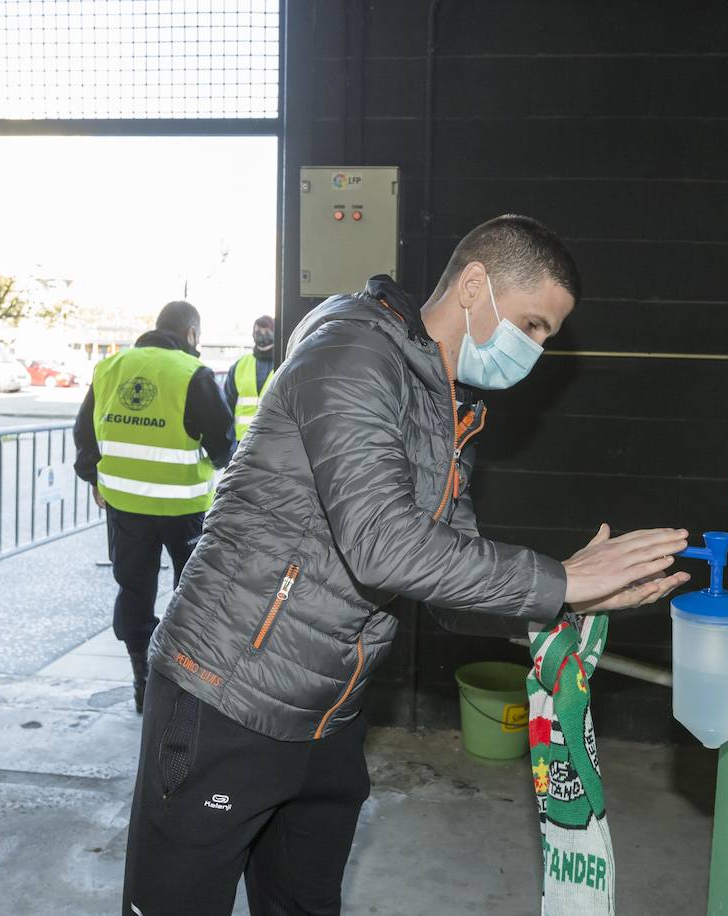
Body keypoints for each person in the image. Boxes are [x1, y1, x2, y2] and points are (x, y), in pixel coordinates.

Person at [121, 215, 692, 915]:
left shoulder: (448, 408)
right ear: (475, 285)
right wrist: (562, 579)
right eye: (534, 326)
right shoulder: (352, 354)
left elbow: (448, 589)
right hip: (227, 694)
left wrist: (568, 600)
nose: (537, 351)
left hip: (327, 713)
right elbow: (382, 545)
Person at [73, 301, 235, 713]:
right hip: (185, 508)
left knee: (134, 587)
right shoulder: (191, 373)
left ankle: (141, 675)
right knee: (193, 591)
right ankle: (183, 679)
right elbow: (222, 440)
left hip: (125, 506)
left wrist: (93, 476)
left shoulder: (110, 368)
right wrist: (218, 462)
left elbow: (84, 430)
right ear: (192, 334)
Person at [223, 314, 277, 442]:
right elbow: (226, 407)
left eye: (267, 331)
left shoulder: (283, 363)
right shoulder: (239, 366)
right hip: (241, 441)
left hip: (273, 441)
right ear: (252, 334)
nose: (262, 335)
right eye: (258, 331)